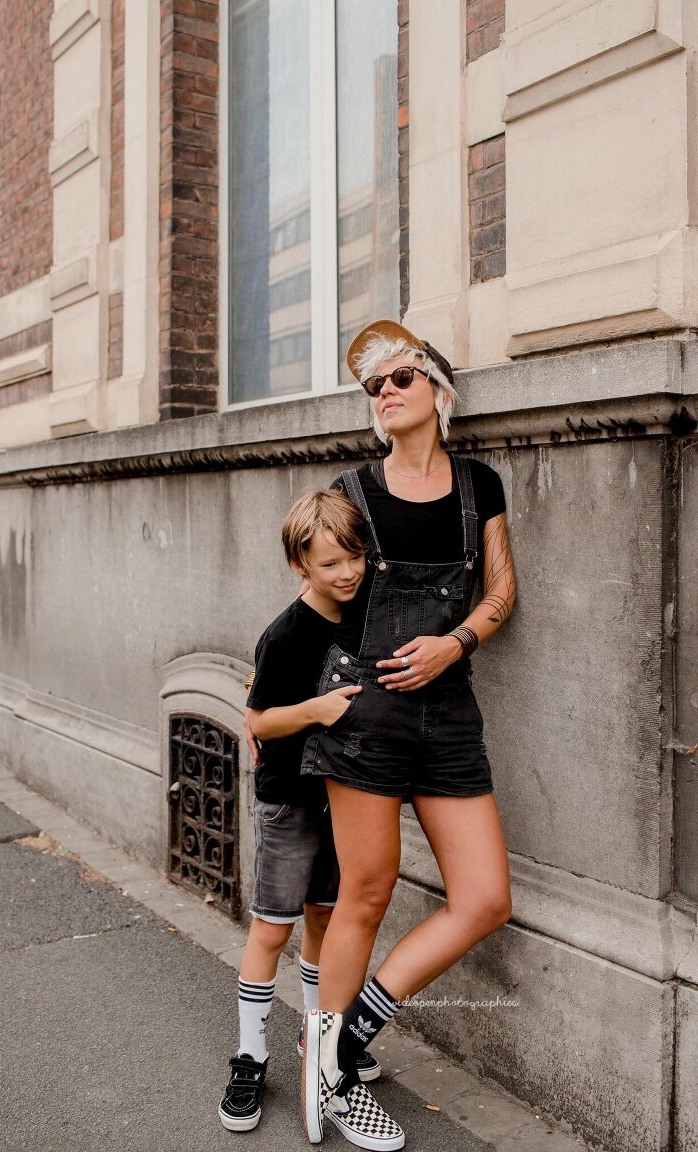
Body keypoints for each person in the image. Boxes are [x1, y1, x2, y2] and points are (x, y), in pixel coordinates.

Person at [298, 320, 517, 1151]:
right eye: (373, 387)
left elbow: (500, 593)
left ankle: (341, 1040)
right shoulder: (351, 493)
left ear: (437, 388)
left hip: (450, 715)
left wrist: (454, 643)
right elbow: (314, 599)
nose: (385, 393)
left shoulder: (479, 485)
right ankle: (334, 1082)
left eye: (399, 377)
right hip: (365, 716)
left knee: (485, 898)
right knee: (366, 894)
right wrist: (277, 701)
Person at [219, 489, 382, 1133]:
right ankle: (249, 1055)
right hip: (289, 799)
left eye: (355, 558)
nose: (346, 573)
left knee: (325, 920)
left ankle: (319, 1039)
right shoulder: (286, 634)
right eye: (329, 563)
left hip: (345, 798)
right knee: (272, 928)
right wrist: (314, 710)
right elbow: (260, 720)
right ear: (300, 566)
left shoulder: (366, 611)